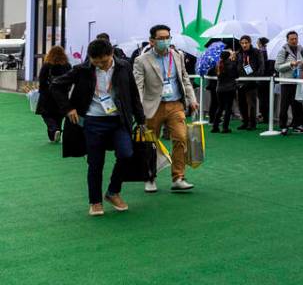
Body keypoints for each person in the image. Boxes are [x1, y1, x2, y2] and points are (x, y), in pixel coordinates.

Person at [51, 38, 147, 216]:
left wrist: (141, 120)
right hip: (93, 122)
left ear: (111, 54)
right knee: (95, 163)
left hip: (118, 120)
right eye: (95, 62)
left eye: (103, 61)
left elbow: (133, 94)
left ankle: (113, 192)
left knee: (126, 154)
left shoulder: (124, 66)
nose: (100, 65)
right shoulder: (82, 70)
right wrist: (68, 108)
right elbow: (56, 85)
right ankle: (95, 202)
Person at [134, 23, 199, 193]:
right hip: (152, 107)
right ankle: (149, 177)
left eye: (167, 38)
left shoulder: (177, 55)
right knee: (150, 143)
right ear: (152, 41)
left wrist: (192, 99)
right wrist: (139, 107)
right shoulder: (142, 60)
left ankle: (178, 177)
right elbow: (138, 85)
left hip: (176, 104)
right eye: (160, 38)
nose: (165, 41)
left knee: (181, 138)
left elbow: (184, 78)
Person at [276, 31, 303, 135]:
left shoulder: (301, 49)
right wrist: (290, 64)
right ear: (287, 40)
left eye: (296, 38)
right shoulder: (283, 50)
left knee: (298, 105)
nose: (294, 41)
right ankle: (283, 126)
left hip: (298, 82)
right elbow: (277, 67)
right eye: (292, 39)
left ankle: (298, 125)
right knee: (284, 106)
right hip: (286, 82)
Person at [36, 45, 72, 142]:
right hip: (62, 94)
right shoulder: (67, 65)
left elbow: (42, 80)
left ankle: (54, 129)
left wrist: (42, 91)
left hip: (47, 94)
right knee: (59, 115)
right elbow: (70, 80)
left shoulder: (47, 65)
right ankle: (57, 131)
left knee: (46, 114)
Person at [234, 35, 261, 130]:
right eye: (242, 43)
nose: (244, 45)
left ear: (250, 43)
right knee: (241, 103)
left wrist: (255, 77)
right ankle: (245, 122)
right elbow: (236, 66)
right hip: (240, 82)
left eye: (246, 43)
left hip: (252, 82)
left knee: (251, 104)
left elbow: (261, 66)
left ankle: (252, 123)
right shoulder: (238, 53)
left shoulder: (256, 52)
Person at [211, 49, 239, 132]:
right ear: (228, 56)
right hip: (229, 89)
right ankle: (225, 127)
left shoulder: (218, 65)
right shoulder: (232, 64)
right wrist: (234, 61)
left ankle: (215, 127)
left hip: (219, 89)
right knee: (228, 109)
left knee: (220, 108)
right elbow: (236, 75)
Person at [256, 37, 272, 123]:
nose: (257, 44)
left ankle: (263, 116)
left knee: (262, 99)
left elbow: (258, 66)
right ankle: (266, 116)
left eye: (258, 42)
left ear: (261, 43)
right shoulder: (270, 52)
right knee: (267, 98)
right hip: (269, 79)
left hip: (261, 79)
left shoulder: (260, 53)